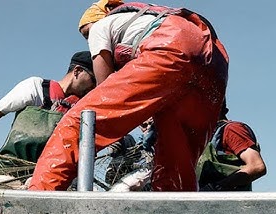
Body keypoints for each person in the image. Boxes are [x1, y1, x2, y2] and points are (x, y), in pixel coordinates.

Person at [28, 1, 229, 191]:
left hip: (170, 44)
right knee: (176, 156)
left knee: (79, 123)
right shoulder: (149, 17)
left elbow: (104, 86)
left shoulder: (101, 26)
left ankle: (38, 200)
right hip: (213, 60)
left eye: (86, 34)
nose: (88, 40)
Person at [0, 51, 96, 177]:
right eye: (93, 79)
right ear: (77, 71)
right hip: (10, 170)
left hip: (50, 175)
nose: (94, 86)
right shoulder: (36, 87)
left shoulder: (82, 108)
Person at [196, 103, 266, 191]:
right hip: (209, 203)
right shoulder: (206, 138)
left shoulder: (232, 129)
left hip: (231, 203)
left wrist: (216, 188)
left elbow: (257, 167)